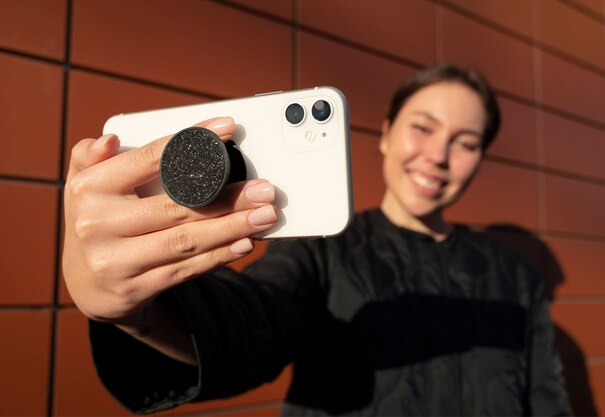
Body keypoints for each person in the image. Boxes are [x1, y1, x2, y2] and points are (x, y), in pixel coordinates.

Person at [63, 64, 572, 416]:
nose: (439, 156)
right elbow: (253, 326)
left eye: (465, 143)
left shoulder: (514, 275)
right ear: (388, 134)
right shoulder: (324, 247)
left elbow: (548, 401)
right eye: (423, 128)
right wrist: (136, 310)